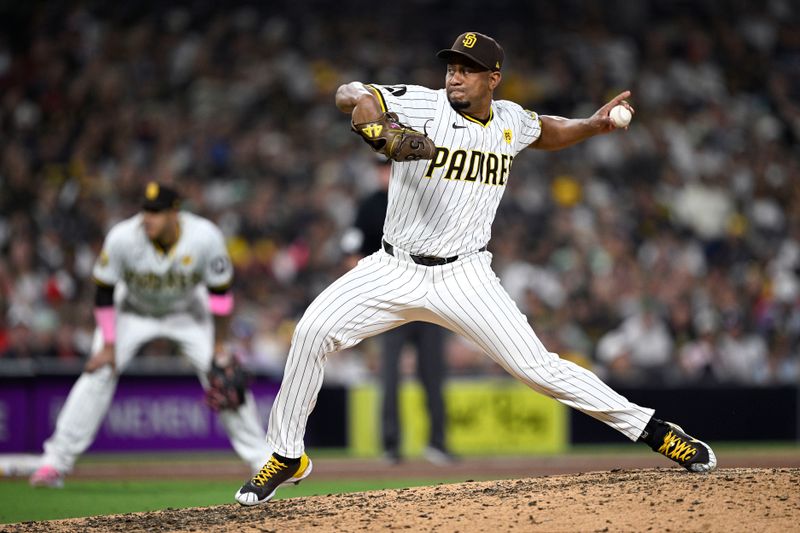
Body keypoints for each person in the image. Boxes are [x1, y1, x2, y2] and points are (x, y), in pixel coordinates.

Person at [235, 31, 717, 506]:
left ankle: (655, 431)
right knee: (311, 331)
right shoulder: (424, 105)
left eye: (467, 70)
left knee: (539, 369)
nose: (455, 76)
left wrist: (592, 126)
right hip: (393, 265)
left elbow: (544, 129)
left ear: (494, 79)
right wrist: (376, 127)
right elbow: (353, 95)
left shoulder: (509, 119)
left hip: (464, 276)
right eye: (451, 67)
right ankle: (287, 454)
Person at [29, 182, 277, 487]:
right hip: (132, 310)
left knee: (223, 374)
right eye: (146, 211)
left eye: (156, 212)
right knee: (98, 372)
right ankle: (55, 462)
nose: (148, 218)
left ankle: (262, 461)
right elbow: (104, 291)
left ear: (175, 213)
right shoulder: (123, 237)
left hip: (187, 312)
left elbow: (220, 295)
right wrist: (107, 346)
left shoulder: (204, 236)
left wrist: (219, 347)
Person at [345, 160, 454, 465]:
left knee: (433, 374)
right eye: (381, 169)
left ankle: (438, 443)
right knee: (389, 376)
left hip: (428, 300)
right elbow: (352, 255)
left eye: (389, 168)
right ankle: (391, 445)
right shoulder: (369, 206)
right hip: (390, 301)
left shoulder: (421, 198)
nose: (386, 174)